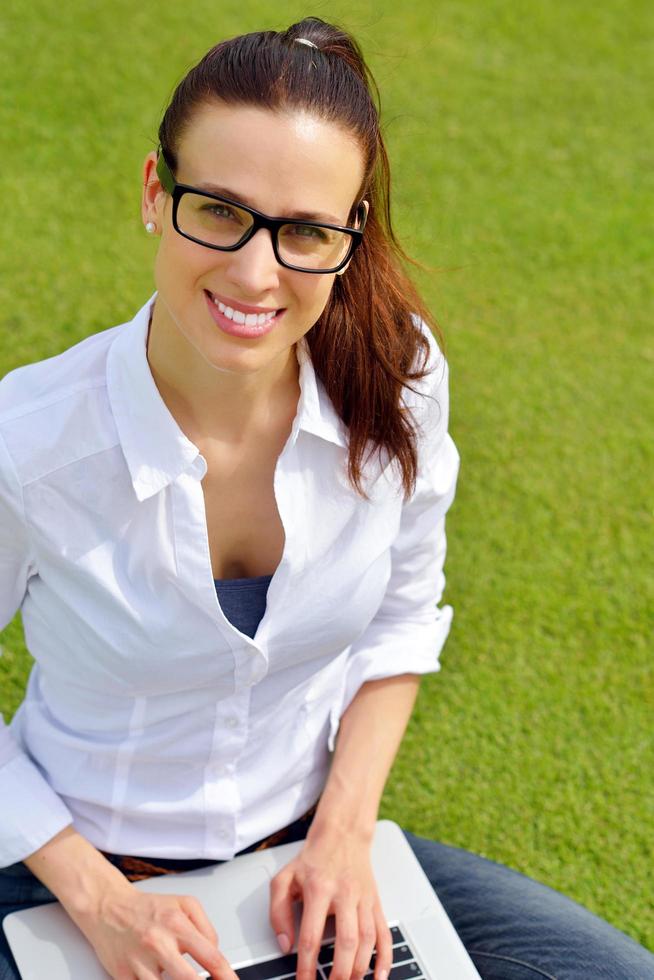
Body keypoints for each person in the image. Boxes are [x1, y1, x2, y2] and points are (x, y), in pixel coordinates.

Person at [0, 16, 652, 980]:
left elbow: (401, 617)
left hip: (306, 858)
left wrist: (344, 835)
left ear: (348, 240)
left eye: (304, 231)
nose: (257, 274)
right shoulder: (30, 441)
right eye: (219, 210)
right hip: (71, 878)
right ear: (155, 192)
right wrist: (101, 902)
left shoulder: (400, 381)